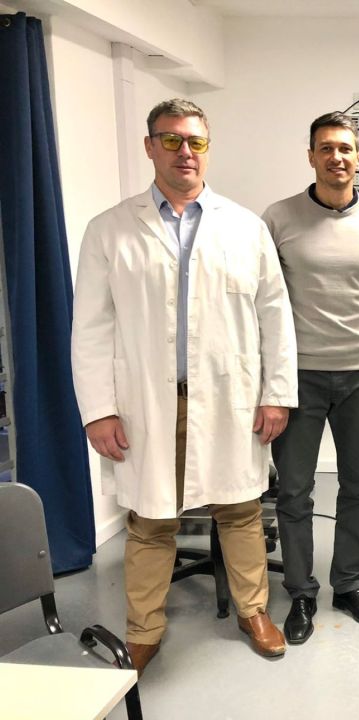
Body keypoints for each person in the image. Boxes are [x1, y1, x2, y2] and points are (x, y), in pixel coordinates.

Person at [72, 98, 298, 674]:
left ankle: (253, 611)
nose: (185, 152)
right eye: (171, 140)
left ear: (207, 148)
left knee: (240, 509)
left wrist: (276, 393)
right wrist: (98, 410)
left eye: (195, 141)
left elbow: (275, 316)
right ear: (150, 147)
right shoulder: (109, 230)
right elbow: (91, 327)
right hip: (148, 401)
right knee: (151, 520)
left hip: (229, 396)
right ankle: (143, 629)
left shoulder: (245, 228)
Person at [263, 111, 359, 642]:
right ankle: (301, 592)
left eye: (345, 148)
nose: (336, 157)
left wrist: (353, 338)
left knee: (357, 486)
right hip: (297, 378)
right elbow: (267, 298)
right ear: (311, 156)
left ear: (358, 157)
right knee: (295, 491)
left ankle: (349, 585)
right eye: (326, 148)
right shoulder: (279, 218)